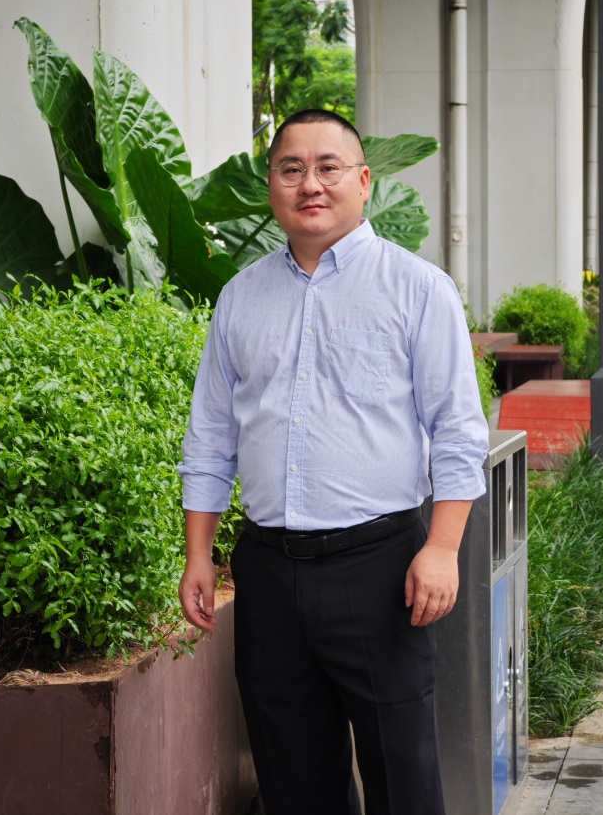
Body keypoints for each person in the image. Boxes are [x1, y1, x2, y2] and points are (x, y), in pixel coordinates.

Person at [178, 109, 490, 815]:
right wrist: (199, 554)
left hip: (381, 570)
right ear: (271, 185)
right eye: (291, 169)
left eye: (328, 167)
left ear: (364, 181)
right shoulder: (241, 297)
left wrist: (443, 549)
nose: (310, 184)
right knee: (293, 780)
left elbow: (457, 432)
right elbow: (211, 435)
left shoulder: (418, 289)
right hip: (268, 572)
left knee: (404, 779)